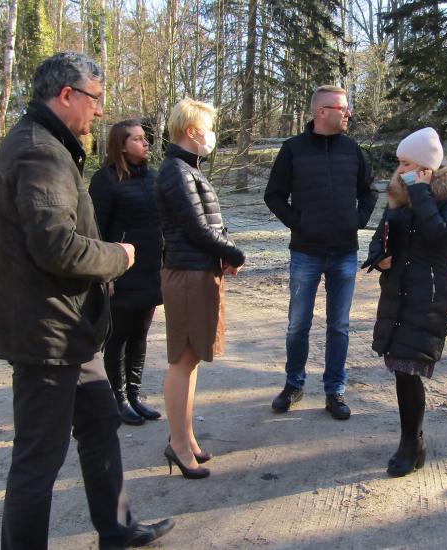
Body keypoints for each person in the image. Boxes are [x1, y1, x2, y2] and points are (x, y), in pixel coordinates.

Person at [0, 52, 173, 549]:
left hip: (70, 328)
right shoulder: (38, 151)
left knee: (99, 424)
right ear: (66, 95)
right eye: (94, 100)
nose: (97, 112)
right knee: (38, 457)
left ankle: (117, 528)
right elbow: (56, 246)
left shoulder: (49, 145)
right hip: (45, 331)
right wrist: (119, 257)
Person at [264, 84, 377, 419]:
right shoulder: (293, 150)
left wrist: (356, 221)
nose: (348, 114)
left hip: (343, 252)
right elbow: (274, 195)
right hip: (306, 253)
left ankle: (335, 390)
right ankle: (293, 384)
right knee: (298, 324)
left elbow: (369, 192)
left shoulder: (352, 149)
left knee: (338, 326)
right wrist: (300, 224)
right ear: (322, 111)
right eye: (343, 108)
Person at [362, 127, 447, 477]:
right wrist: (378, 256)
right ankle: (413, 440)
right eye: (399, 163)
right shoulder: (398, 191)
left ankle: (411, 443)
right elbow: (381, 234)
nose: (400, 170)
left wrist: (421, 191)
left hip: (429, 293)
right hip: (397, 290)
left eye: (407, 163)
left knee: (409, 369)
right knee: (400, 370)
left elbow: (441, 234)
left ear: (425, 166)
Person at [155, 97, 245, 479]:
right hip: (187, 273)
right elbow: (197, 227)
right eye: (208, 129)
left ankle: (185, 436)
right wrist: (234, 252)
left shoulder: (187, 169)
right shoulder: (176, 171)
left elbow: (206, 224)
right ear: (191, 132)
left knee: (190, 360)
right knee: (182, 360)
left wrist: (222, 255)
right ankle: (177, 443)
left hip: (198, 269)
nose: (212, 136)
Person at [90, 119, 164, 426]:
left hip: (150, 269)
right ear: (120, 145)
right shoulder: (105, 181)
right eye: (137, 139)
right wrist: (106, 276)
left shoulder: (153, 178)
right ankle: (116, 398)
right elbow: (96, 230)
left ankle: (134, 395)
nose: (145, 143)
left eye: (145, 139)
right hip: (120, 272)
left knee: (141, 333)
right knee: (118, 336)